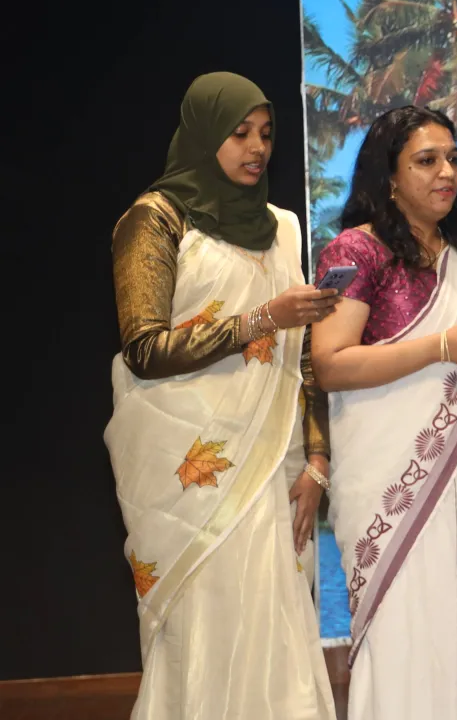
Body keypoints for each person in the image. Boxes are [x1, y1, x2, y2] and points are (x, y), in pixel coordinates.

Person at [106, 72, 338, 719]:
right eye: (239, 133)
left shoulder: (284, 228)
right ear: (204, 133)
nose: (255, 147)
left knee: (275, 619)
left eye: (265, 134)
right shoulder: (154, 219)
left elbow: (308, 357)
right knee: (206, 625)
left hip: (273, 463)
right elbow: (144, 349)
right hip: (189, 471)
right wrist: (261, 319)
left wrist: (318, 461)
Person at [311, 105, 457, 720]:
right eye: (426, 161)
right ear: (389, 176)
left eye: (452, 158)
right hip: (392, 485)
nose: (446, 172)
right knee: (405, 636)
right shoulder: (357, 250)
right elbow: (330, 363)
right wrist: (440, 347)